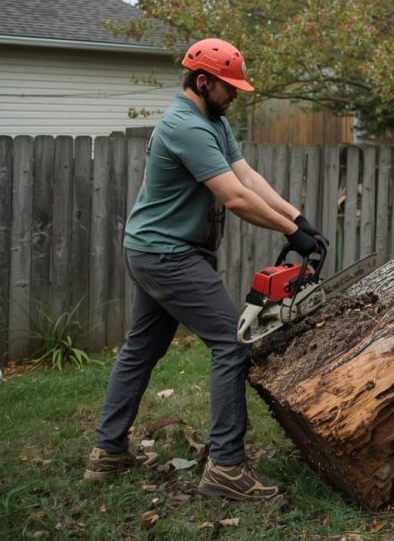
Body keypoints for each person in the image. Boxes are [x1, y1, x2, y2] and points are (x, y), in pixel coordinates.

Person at [84, 38, 323, 501]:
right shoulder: (185, 126)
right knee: (233, 345)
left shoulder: (212, 121)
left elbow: (247, 176)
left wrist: (297, 219)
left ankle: (107, 453)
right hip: (167, 255)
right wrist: (288, 233)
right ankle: (227, 468)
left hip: (153, 250)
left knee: (141, 350)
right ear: (202, 81)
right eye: (228, 86)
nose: (234, 94)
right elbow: (233, 198)